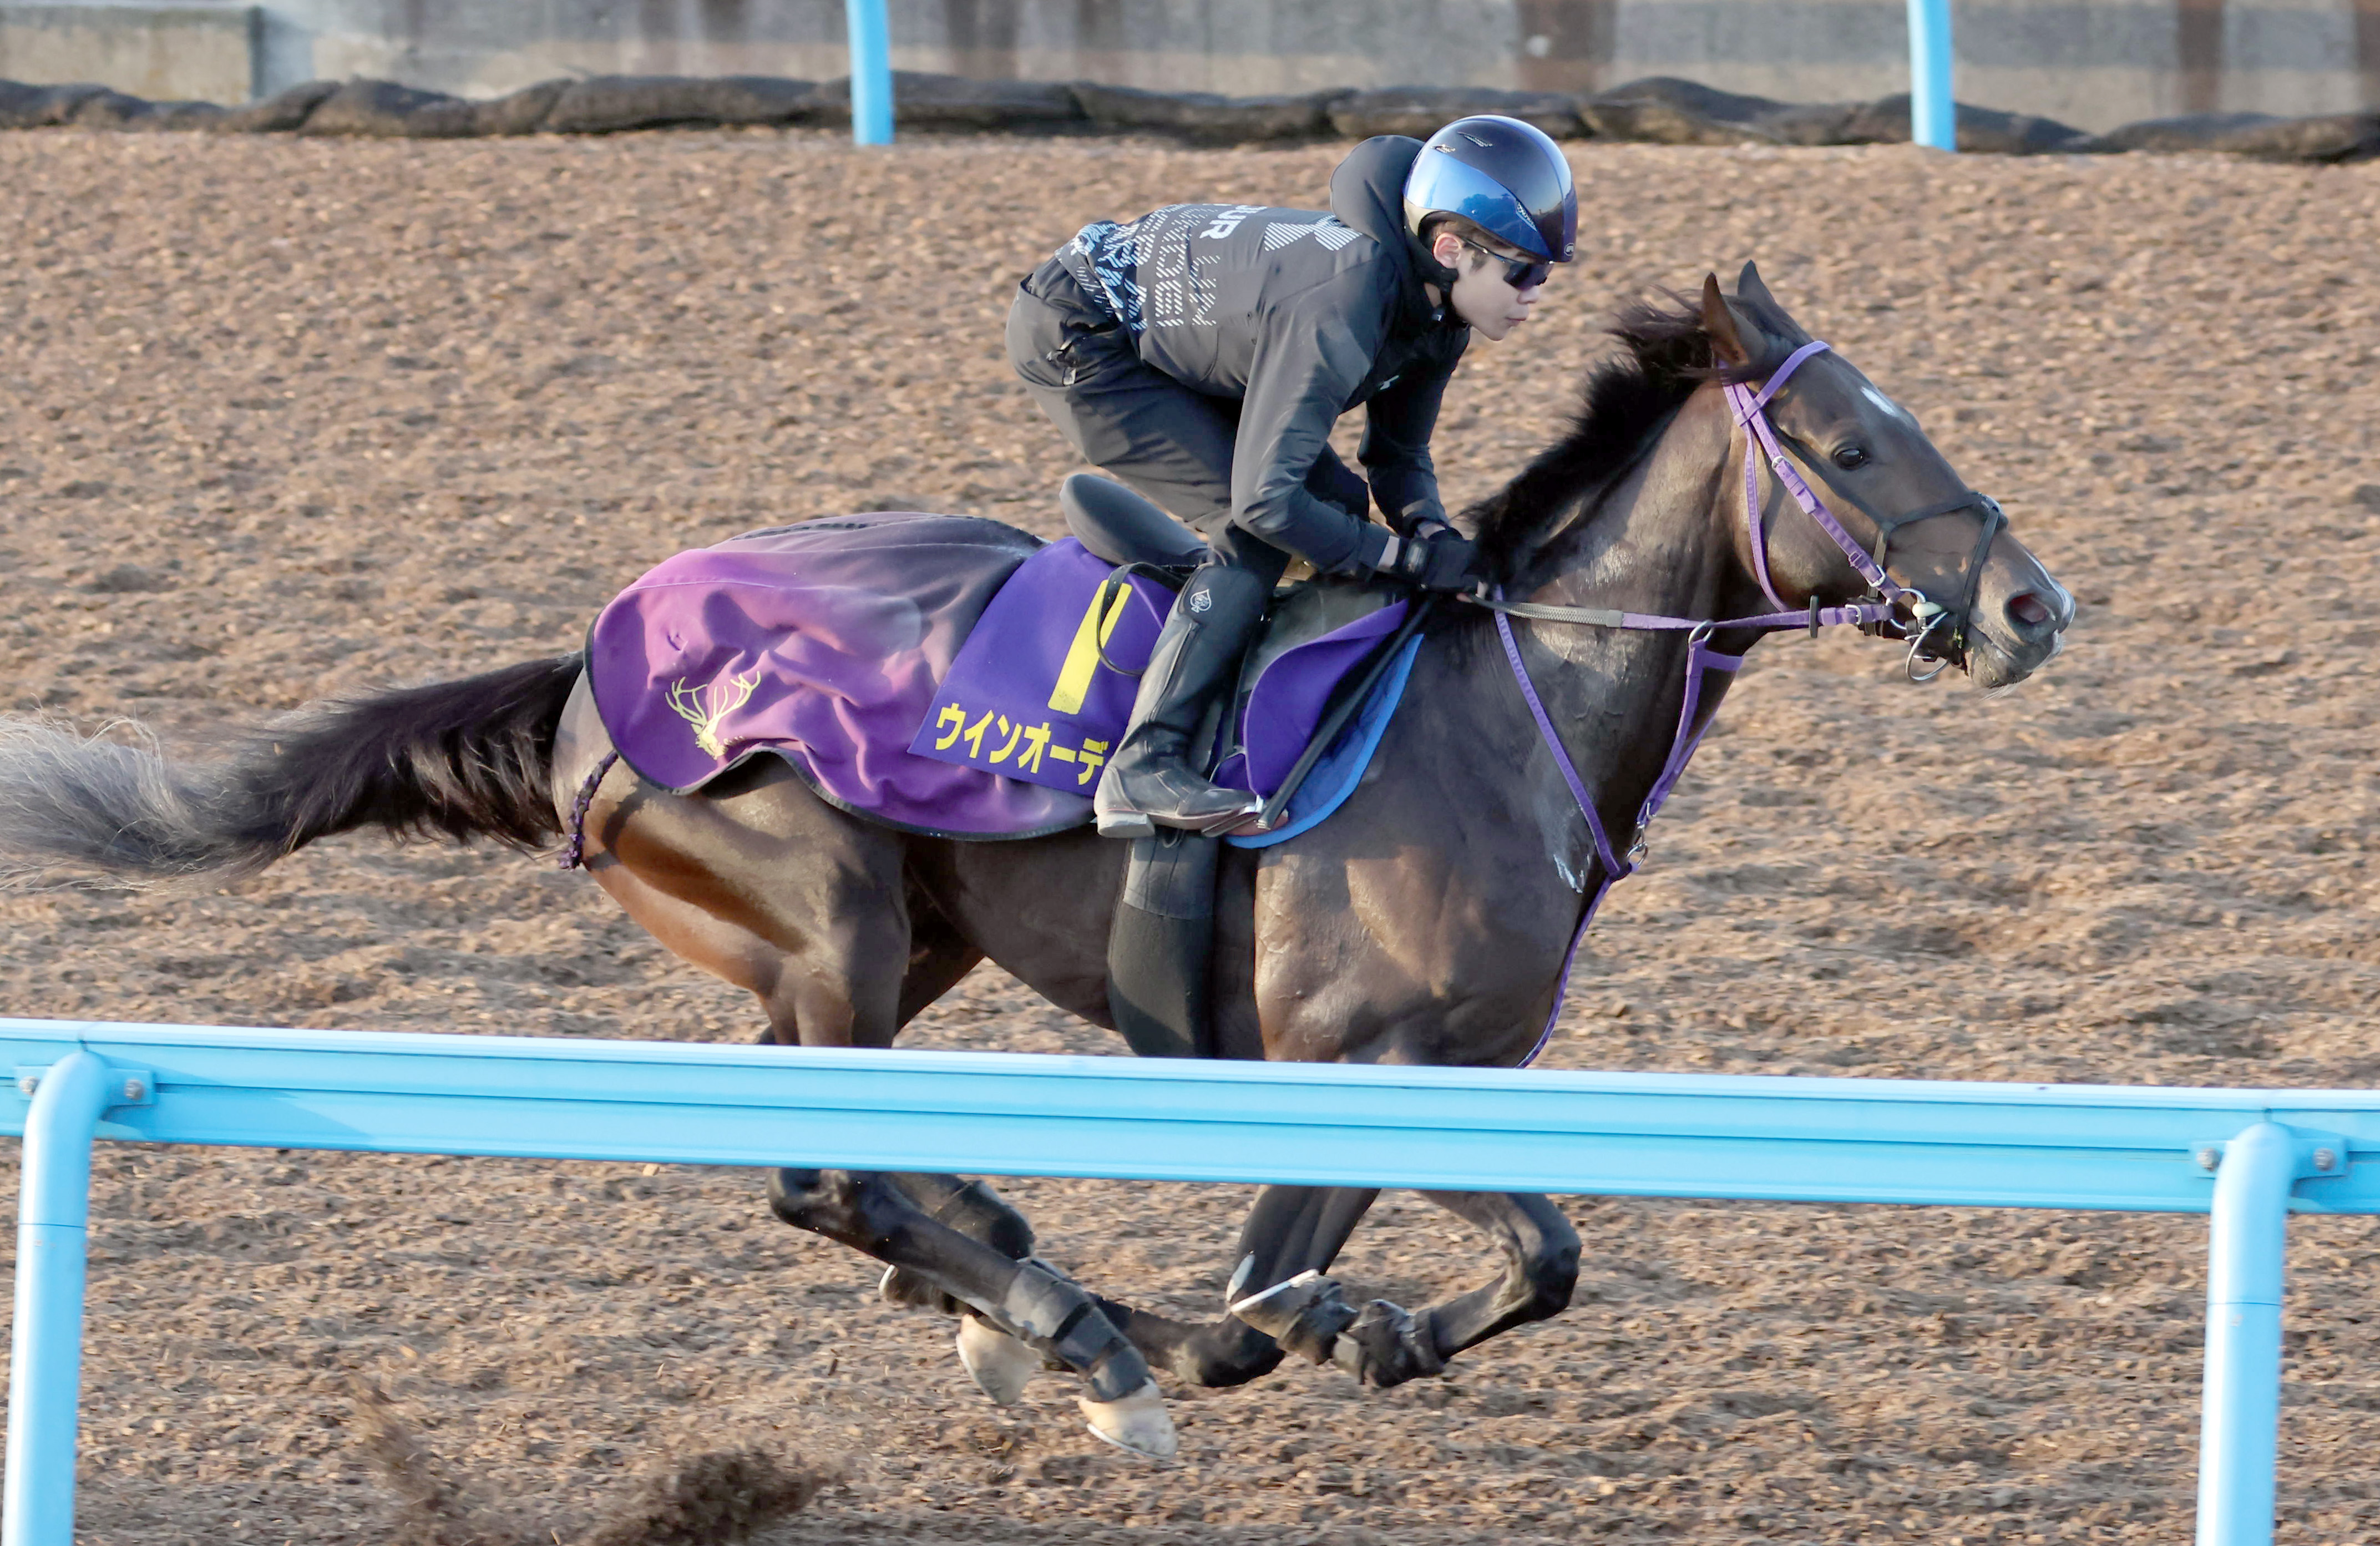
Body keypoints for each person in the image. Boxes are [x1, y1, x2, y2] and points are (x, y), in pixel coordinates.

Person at [1005, 115, 1577, 838]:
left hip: (1181, 339)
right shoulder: (1345, 301)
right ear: (1448, 248)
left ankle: (1263, 658)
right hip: (1081, 339)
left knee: (1337, 504)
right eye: (1522, 270)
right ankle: (1142, 766)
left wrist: (1431, 529)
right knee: (1257, 532)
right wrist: (1400, 557)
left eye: (1547, 275)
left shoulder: (1438, 314)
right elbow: (1265, 501)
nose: (1534, 294)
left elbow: (1396, 457)